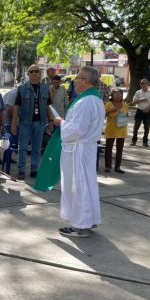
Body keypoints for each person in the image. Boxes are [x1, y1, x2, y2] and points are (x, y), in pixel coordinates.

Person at [52, 66, 105, 238]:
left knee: (78, 187)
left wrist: (60, 122)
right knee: (87, 185)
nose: (75, 81)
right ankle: (89, 219)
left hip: (78, 149)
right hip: (85, 148)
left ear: (87, 81)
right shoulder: (95, 99)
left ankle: (80, 225)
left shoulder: (85, 102)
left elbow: (76, 130)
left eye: (78, 78)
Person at [11, 65, 52, 180]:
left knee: (36, 148)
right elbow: (16, 107)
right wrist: (14, 123)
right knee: (23, 147)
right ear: (28, 74)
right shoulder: (22, 88)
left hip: (40, 122)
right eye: (31, 71)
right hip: (25, 122)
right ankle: (21, 170)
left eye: (36, 71)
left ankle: (34, 169)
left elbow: (48, 106)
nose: (34, 73)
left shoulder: (45, 88)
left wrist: (51, 121)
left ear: (40, 74)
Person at [104, 89, 128, 174]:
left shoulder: (125, 105)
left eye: (120, 94)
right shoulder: (108, 105)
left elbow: (126, 115)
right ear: (112, 96)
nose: (118, 96)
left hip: (122, 130)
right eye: (116, 94)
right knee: (108, 149)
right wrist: (111, 111)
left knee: (119, 149)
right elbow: (102, 115)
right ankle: (108, 166)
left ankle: (117, 167)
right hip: (111, 129)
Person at [131, 79, 150, 147]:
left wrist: (148, 108)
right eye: (142, 83)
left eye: (145, 83)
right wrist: (141, 100)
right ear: (140, 84)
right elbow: (134, 102)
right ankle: (134, 141)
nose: (144, 85)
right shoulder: (138, 92)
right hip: (139, 111)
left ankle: (145, 142)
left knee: (147, 128)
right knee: (136, 127)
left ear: (147, 84)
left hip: (147, 112)